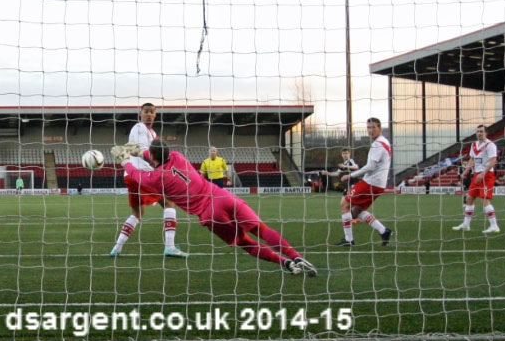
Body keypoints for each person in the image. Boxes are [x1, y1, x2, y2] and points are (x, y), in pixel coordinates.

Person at [115, 139, 317, 276]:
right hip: (223, 197)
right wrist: (140, 151)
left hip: (210, 213)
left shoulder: (156, 178)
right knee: (261, 229)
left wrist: (125, 159)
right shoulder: (177, 156)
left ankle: (285, 263)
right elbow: (154, 155)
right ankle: (296, 256)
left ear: (153, 157)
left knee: (245, 242)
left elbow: (135, 174)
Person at [110, 103, 186, 258]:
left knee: (137, 212)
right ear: (140, 113)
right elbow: (143, 152)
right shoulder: (140, 128)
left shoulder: (152, 133)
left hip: (131, 175)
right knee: (170, 202)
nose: (149, 114)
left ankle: (117, 248)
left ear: (155, 115)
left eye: (152, 112)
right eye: (146, 111)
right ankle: (170, 247)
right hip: (143, 173)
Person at [335, 118, 393, 247]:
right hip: (379, 184)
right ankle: (383, 230)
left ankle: (349, 240)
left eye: (373, 127)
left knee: (344, 204)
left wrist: (350, 175)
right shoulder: (385, 142)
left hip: (371, 182)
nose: (370, 130)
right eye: (368, 127)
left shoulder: (378, 144)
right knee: (356, 211)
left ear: (379, 128)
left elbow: (370, 167)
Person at [453, 125, 501, 234]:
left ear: (486, 133)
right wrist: (466, 171)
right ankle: (466, 225)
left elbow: (493, 161)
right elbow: (472, 159)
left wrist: (483, 173)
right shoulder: (474, 144)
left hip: (487, 175)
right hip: (476, 174)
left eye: (481, 131)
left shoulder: (490, 145)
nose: (479, 133)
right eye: (478, 131)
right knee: (469, 198)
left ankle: (494, 226)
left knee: (484, 200)